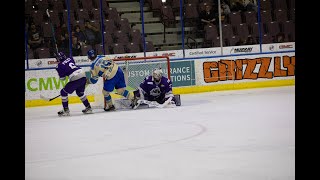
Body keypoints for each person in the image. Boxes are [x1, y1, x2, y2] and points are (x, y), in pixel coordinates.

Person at [55, 51, 92, 116]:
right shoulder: (70, 58)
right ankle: (88, 108)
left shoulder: (59, 66)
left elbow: (62, 79)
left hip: (76, 78)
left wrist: (61, 71)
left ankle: (66, 110)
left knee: (63, 92)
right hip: (84, 75)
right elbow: (71, 66)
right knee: (80, 93)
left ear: (58, 59)